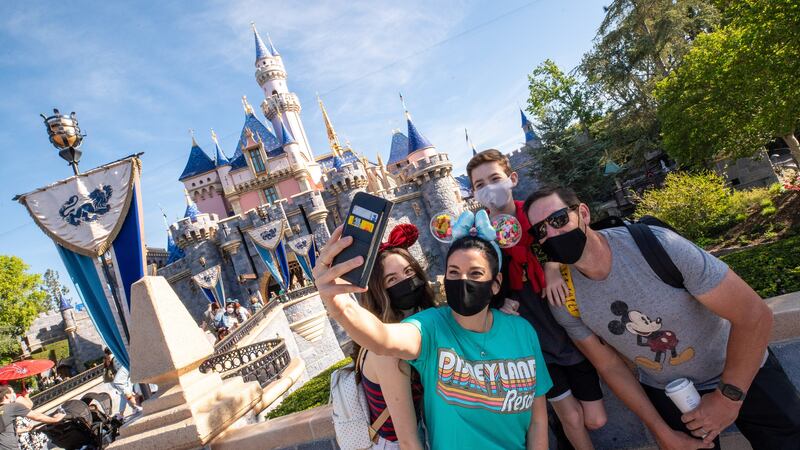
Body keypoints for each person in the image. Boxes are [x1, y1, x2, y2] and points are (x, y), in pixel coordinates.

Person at [524, 185, 800, 449]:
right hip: (670, 393)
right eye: (541, 230)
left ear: (583, 213)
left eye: (558, 219)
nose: (552, 232)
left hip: (744, 372)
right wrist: (661, 431)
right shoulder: (564, 298)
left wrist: (728, 397)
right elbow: (610, 367)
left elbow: (754, 314)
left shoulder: (655, 244)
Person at [313, 211, 552, 450]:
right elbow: (382, 338)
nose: (463, 281)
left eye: (476, 273)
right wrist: (338, 303)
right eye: (454, 273)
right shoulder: (430, 328)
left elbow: (538, 419)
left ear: (496, 282)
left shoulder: (521, 330)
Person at [468, 150, 607, 449]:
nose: (489, 188)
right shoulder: (481, 236)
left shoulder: (533, 215)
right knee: (569, 416)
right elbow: (480, 282)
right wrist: (498, 303)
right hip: (528, 332)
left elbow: (559, 243)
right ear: (473, 193)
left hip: (561, 314)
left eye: (494, 178)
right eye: (480, 184)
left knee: (595, 419)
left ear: (512, 178)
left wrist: (552, 266)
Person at [356, 223, 436, 449]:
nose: (405, 282)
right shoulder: (385, 349)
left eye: (409, 272)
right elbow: (408, 439)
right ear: (379, 292)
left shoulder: (423, 324)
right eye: (392, 280)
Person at [1, 386, 64, 450]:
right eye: (11, 393)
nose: (13, 394)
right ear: (6, 396)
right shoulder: (12, 407)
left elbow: (5, 430)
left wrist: (24, 430)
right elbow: (37, 417)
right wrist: (55, 419)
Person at [103, 348, 142, 418]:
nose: (106, 358)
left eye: (106, 356)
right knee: (124, 394)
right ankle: (133, 408)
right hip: (125, 379)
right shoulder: (114, 359)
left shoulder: (115, 359)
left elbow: (121, 373)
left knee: (124, 394)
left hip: (124, 379)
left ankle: (134, 407)